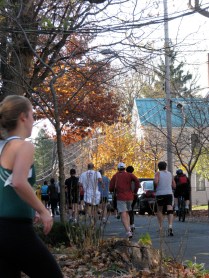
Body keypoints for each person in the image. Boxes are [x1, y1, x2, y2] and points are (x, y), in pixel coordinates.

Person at [0, 95, 63, 277]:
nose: (33, 121)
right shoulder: (23, 146)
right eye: (32, 116)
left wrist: (30, 207)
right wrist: (43, 210)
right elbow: (19, 181)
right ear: (23, 117)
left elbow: (9, 184)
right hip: (16, 231)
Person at [109, 162, 139, 239]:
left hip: (121, 197)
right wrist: (135, 191)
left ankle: (128, 231)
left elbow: (111, 188)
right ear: (124, 168)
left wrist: (114, 189)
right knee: (128, 212)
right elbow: (137, 181)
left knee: (123, 213)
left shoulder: (115, 176)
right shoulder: (130, 175)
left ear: (118, 169)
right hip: (130, 197)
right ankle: (129, 228)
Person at [154, 161, 176, 236]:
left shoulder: (158, 173)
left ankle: (160, 227)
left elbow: (156, 182)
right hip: (169, 193)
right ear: (165, 166)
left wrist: (155, 187)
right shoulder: (170, 174)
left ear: (158, 167)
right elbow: (174, 185)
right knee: (170, 209)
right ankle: (170, 226)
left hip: (160, 193)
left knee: (159, 210)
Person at [126, 165, 139, 232]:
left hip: (128, 195)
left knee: (128, 210)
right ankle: (132, 224)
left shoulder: (125, 177)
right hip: (135, 195)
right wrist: (135, 192)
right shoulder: (135, 177)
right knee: (131, 209)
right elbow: (138, 185)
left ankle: (130, 224)